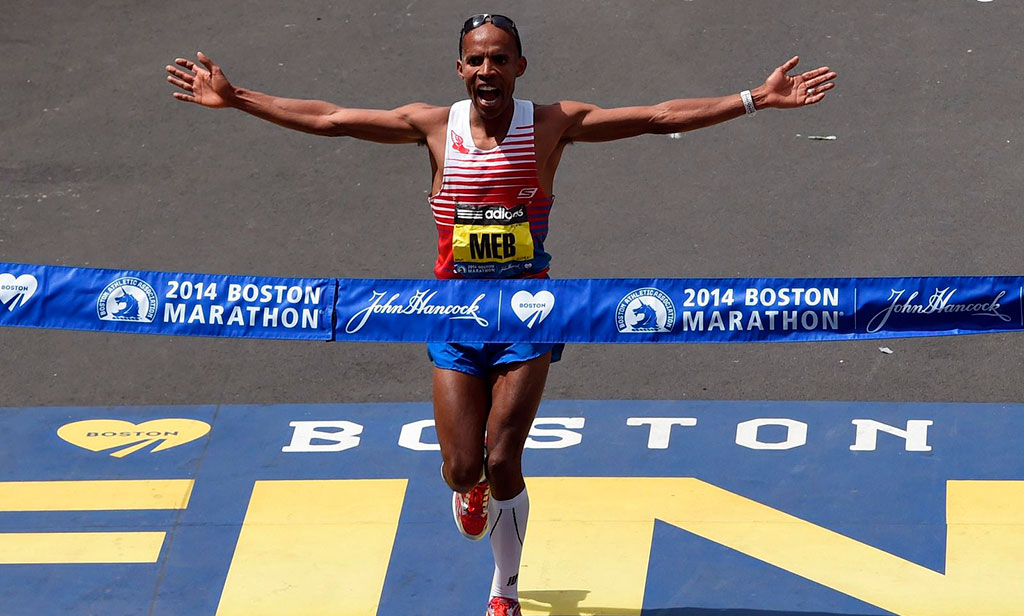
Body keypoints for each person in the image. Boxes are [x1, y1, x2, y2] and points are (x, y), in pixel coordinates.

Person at [166, 14, 836, 616]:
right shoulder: (432, 127)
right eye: (476, 60)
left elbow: (659, 116)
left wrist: (755, 97)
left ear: (520, 67)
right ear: (460, 70)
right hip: (454, 317)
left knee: (503, 455)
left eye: (500, 58)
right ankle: (469, 491)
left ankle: (505, 591)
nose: (488, 70)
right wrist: (237, 98)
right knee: (464, 466)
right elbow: (330, 119)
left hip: (527, 314)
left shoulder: (551, 124)